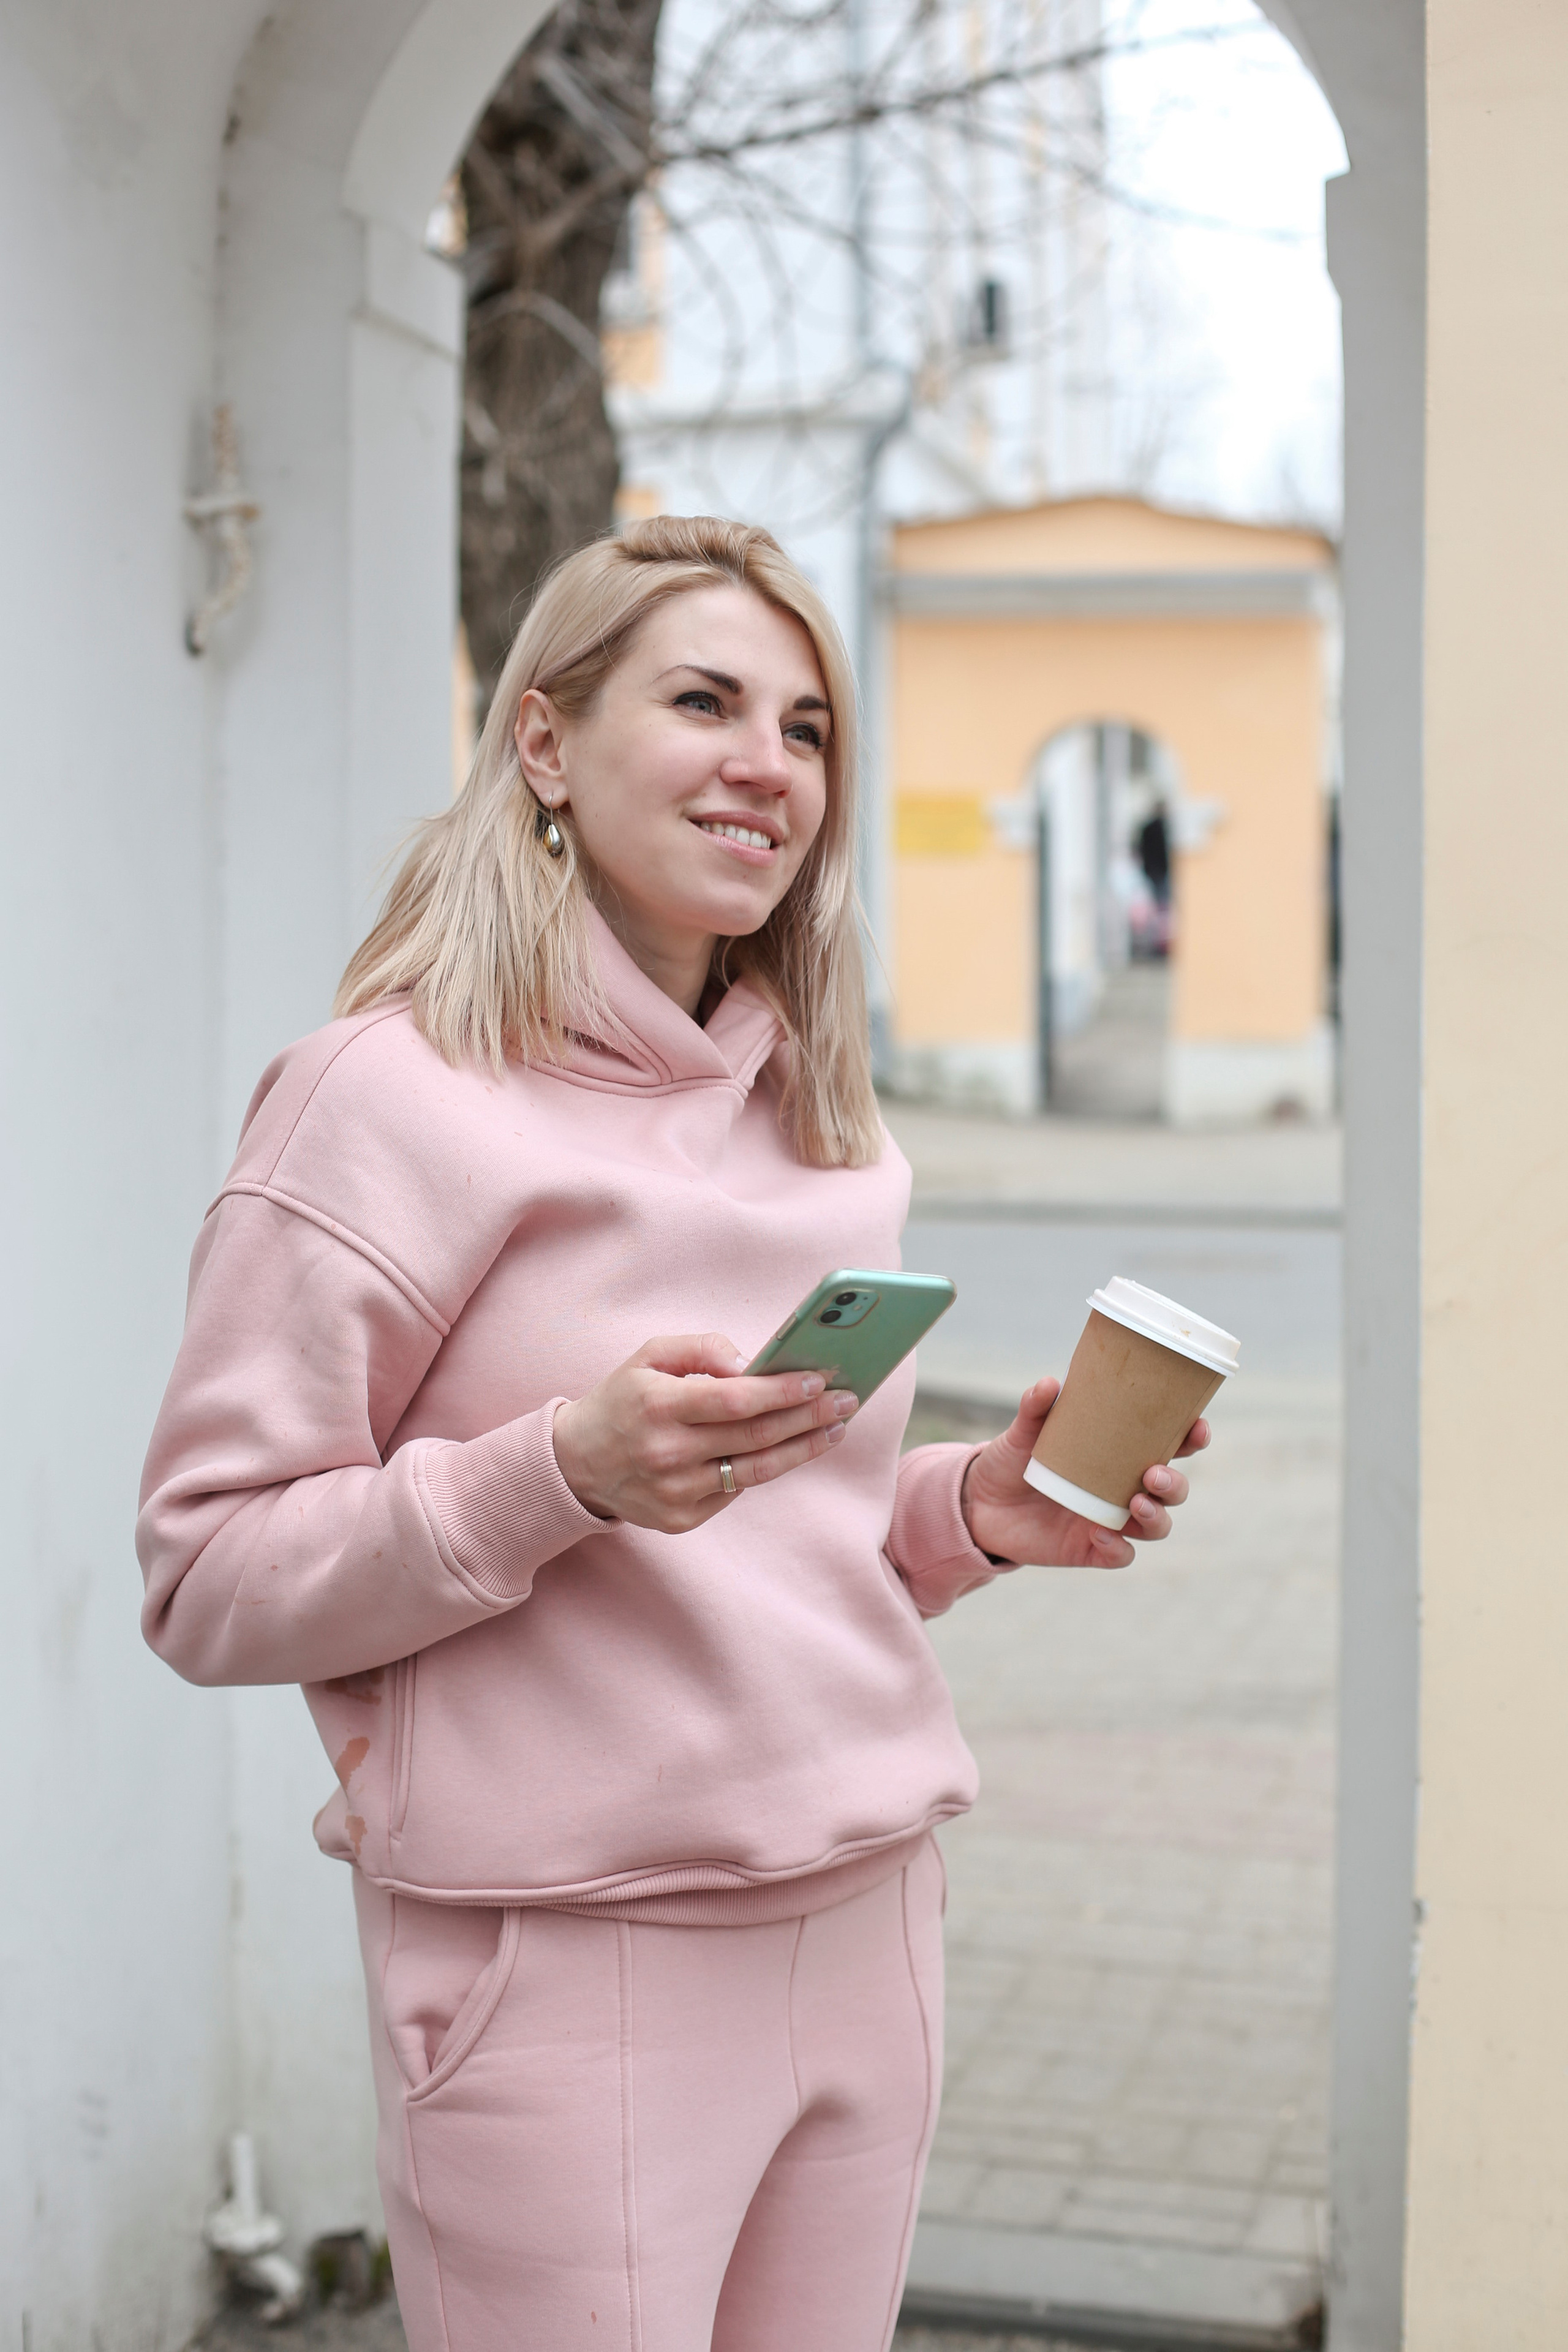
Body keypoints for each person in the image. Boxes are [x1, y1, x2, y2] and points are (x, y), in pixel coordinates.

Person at [137, 516, 1208, 2352]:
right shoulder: (382, 1102)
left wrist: (974, 1509)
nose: (764, 765)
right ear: (543, 743)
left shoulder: (825, 1115)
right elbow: (206, 1578)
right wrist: (557, 1471)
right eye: (703, 700)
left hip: (869, 1922)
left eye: (807, 729)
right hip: (570, 1961)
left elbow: (794, 1534)